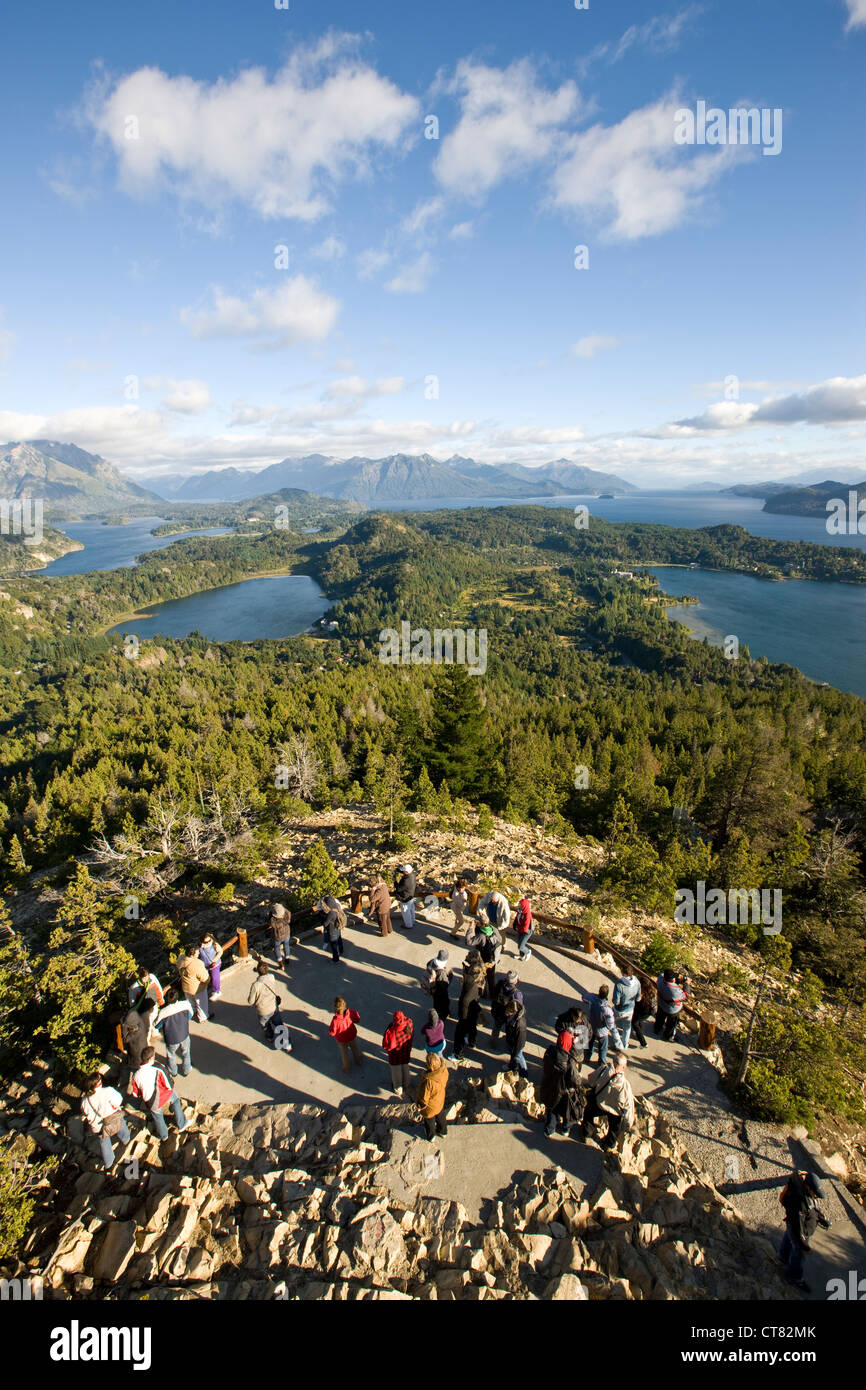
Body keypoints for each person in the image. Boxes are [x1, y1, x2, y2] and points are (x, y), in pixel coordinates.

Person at [778, 1169, 830, 1292]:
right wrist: (805, 1246)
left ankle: (782, 1257)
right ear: (808, 1187)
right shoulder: (801, 1203)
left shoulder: (803, 1191)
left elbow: (813, 1209)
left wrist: (821, 1218)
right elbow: (798, 1230)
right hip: (800, 1232)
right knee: (798, 1254)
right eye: (815, 1193)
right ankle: (794, 1277)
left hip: (791, 1224)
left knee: (788, 1237)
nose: (817, 1195)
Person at [578, 1052, 635, 1151]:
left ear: (613, 1061)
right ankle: (609, 1144)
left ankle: (587, 1133)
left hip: (600, 1103)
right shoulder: (625, 1086)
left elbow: (591, 1080)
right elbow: (628, 1107)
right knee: (614, 1128)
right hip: (615, 1111)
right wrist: (627, 1124)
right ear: (624, 1066)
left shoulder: (603, 1070)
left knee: (588, 1112)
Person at [130, 1046, 189, 1140]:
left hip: (149, 1101)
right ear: (150, 1059)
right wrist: (171, 1088)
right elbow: (168, 1084)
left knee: (158, 1117)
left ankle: (164, 1136)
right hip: (162, 1095)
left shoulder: (136, 1075)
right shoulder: (157, 1068)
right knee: (176, 1100)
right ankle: (181, 1124)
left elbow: (136, 1093)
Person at [539, 1028, 584, 1138]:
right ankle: (565, 1129)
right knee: (567, 1111)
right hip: (565, 1091)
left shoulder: (550, 1051)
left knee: (552, 1109)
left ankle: (549, 1130)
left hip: (551, 1087)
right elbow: (575, 1080)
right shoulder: (570, 1061)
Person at [81, 1073, 130, 1171]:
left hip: (98, 1127)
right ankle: (126, 1141)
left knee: (104, 1144)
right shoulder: (108, 1091)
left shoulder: (85, 1100)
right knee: (121, 1127)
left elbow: (85, 1112)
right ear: (98, 1083)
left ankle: (109, 1164)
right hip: (112, 1120)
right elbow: (118, 1100)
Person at [447, 950, 487, 1063]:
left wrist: (462, 1017)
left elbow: (463, 1010)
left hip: (465, 1012)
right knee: (472, 1023)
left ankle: (458, 1054)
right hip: (473, 1006)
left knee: (460, 1031)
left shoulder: (465, 996)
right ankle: (472, 1041)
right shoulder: (475, 986)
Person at [153, 987, 193, 1079]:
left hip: (171, 1038)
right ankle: (186, 1069)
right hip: (184, 1034)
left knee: (171, 1055)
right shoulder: (185, 1005)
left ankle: (173, 1071)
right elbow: (190, 1016)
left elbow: (156, 1025)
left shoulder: (163, 1012)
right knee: (186, 1052)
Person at [465, 917, 502, 1000]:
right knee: (491, 977)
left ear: (482, 925)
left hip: (483, 961)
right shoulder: (494, 929)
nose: (477, 923)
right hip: (492, 960)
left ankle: (483, 994)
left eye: (478, 922)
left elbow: (468, 941)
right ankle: (492, 994)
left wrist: (470, 928)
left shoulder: (481, 936)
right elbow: (500, 940)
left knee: (482, 978)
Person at [415, 1052, 448, 1141]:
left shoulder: (428, 1081)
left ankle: (431, 1136)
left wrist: (420, 1105)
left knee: (429, 1121)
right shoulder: (444, 1070)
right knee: (441, 1116)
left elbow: (424, 1097)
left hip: (430, 1106)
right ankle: (443, 1131)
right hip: (440, 1100)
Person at [585, 984, 620, 1067]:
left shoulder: (593, 1000)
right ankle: (601, 1064)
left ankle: (587, 1057)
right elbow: (611, 1024)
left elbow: (584, 996)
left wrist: (594, 996)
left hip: (592, 1025)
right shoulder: (607, 1010)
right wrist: (608, 1028)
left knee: (590, 1043)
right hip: (602, 1031)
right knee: (603, 1049)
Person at [121, 997, 158, 1074]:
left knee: (136, 1066)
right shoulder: (139, 1023)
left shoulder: (133, 1029)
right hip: (140, 1048)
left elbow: (126, 1039)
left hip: (135, 1052)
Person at [382, 1009, 414, 1096]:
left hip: (395, 1056)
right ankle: (407, 1084)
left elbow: (386, 1046)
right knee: (405, 1067)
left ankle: (398, 1088)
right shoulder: (410, 1023)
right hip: (406, 1052)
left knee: (396, 1073)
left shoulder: (391, 1032)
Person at [175, 946, 210, 1023]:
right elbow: (204, 977)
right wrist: (207, 981)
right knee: (201, 1003)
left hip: (186, 986)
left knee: (191, 1003)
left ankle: (193, 1013)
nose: (199, 953)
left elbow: (177, 965)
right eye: (197, 952)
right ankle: (202, 1017)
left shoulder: (181, 959)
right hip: (197, 988)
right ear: (192, 954)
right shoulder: (197, 963)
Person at [655, 969, 690, 1042]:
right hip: (672, 1010)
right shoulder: (675, 991)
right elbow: (686, 996)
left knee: (659, 1018)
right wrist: (686, 984)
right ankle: (667, 1036)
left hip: (661, 1004)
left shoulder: (660, 979)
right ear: (673, 979)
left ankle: (657, 1029)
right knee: (671, 1025)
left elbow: (664, 977)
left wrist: (679, 981)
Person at [329, 997, 363, 1073]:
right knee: (354, 1048)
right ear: (344, 1005)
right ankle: (358, 1059)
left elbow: (332, 1032)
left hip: (342, 1039)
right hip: (351, 1035)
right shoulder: (350, 1012)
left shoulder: (335, 1020)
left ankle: (347, 1067)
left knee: (344, 1053)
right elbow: (357, 1019)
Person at [247, 960, 281, 1034]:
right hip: (274, 1007)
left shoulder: (255, 985)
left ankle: (270, 1036)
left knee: (265, 1025)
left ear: (258, 971)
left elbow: (251, 1001)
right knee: (279, 1025)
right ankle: (286, 1042)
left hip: (263, 1011)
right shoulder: (272, 977)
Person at [491, 970, 524, 1045]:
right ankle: (508, 1042)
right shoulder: (516, 994)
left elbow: (494, 992)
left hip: (498, 1011)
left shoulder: (500, 983)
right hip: (509, 1016)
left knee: (496, 1028)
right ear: (515, 981)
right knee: (509, 1030)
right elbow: (519, 1008)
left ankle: (493, 1043)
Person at [613, 965, 642, 1048]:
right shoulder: (637, 981)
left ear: (623, 973)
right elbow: (638, 998)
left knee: (612, 1024)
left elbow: (616, 1001)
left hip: (620, 1009)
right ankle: (625, 1044)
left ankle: (618, 1044)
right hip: (630, 1008)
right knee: (627, 1027)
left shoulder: (619, 985)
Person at [423, 949, 452, 1020]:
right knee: (443, 1003)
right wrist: (450, 978)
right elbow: (444, 985)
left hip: (433, 989)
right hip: (439, 992)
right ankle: (443, 1015)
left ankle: (437, 1012)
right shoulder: (441, 972)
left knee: (436, 1003)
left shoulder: (432, 962)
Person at [317, 895, 347, 963]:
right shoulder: (337, 907)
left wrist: (321, 917)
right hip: (338, 926)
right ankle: (341, 950)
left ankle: (335, 959)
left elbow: (325, 924)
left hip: (332, 929)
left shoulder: (331, 913)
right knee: (339, 938)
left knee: (334, 944)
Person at [503, 998, 528, 1077]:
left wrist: (515, 1051)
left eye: (508, 1012)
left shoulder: (520, 1025)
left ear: (514, 1012)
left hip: (517, 1045)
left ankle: (524, 1072)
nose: (506, 1014)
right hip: (511, 1040)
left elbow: (520, 1041)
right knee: (513, 1056)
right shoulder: (512, 1017)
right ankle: (512, 1065)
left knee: (519, 1057)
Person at [198, 933, 223, 1000]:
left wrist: (214, 961)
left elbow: (220, 952)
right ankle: (215, 986)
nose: (208, 942)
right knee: (207, 978)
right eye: (206, 941)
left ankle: (217, 992)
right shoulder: (200, 947)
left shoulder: (214, 944)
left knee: (215, 978)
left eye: (209, 940)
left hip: (215, 964)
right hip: (205, 965)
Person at [630, 981, 653, 1049]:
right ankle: (639, 1032)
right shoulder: (651, 992)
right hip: (647, 1012)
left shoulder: (642, 995)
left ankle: (643, 1043)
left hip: (640, 1011)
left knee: (634, 1023)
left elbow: (636, 1001)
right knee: (640, 1021)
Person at [269, 903, 293, 968]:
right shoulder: (287, 917)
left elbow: (270, 919)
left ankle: (280, 963)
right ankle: (287, 959)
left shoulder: (273, 921)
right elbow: (288, 912)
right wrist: (282, 908)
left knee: (277, 948)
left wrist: (273, 911)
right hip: (286, 934)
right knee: (286, 945)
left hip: (278, 937)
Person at [394, 864, 417, 930]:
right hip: (410, 895)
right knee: (411, 910)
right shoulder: (412, 875)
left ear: (406, 872)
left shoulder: (406, 881)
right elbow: (406, 872)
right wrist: (398, 870)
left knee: (406, 912)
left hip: (405, 897)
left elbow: (398, 888)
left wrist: (394, 880)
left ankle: (408, 925)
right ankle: (412, 921)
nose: (403, 872)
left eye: (404, 871)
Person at [513, 895, 534, 960]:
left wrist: (517, 927)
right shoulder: (520, 911)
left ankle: (528, 952)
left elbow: (525, 928)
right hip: (520, 930)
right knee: (519, 943)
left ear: (524, 906)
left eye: (520, 905)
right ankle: (521, 955)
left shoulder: (527, 914)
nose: (518, 905)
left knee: (521, 946)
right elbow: (517, 918)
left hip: (526, 932)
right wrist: (515, 925)